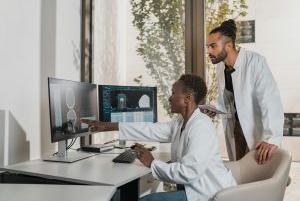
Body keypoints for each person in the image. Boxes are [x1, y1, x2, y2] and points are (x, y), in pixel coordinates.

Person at [82, 74, 237, 201]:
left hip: (208, 194)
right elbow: (150, 129)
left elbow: (189, 173)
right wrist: (107, 126)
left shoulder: (201, 126)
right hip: (195, 189)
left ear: (187, 98)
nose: (170, 98)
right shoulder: (181, 123)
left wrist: (152, 163)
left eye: (174, 93)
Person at [206, 19, 284, 164]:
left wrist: (271, 138)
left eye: (213, 46)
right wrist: (215, 108)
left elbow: (271, 101)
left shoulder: (255, 61)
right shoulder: (221, 67)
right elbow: (229, 98)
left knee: (260, 172)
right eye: (208, 47)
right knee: (241, 171)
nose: (208, 51)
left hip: (257, 130)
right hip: (236, 129)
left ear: (229, 45)